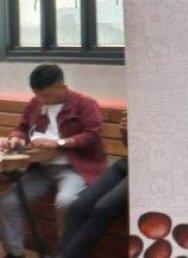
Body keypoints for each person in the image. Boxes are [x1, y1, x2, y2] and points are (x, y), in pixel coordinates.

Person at [0, 64, 108, 258]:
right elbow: (22, 127)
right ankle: (15, 254)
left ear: (63, 87)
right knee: (9, 202)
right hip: (40, 169)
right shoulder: (36, 103)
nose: (41, 100)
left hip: (75, 168)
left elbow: (92, 135)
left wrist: (59, 142)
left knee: (66, 202)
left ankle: (65, 254)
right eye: (37, 95)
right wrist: (17, 138)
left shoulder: (85, 104)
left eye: (46, 95)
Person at [58, 111, 128, 258]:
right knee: (78, 206)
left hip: (153, 169)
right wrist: (126, 131)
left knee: (103, 208)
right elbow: (130, 145)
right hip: (129, 161)